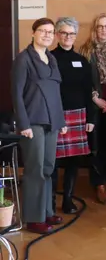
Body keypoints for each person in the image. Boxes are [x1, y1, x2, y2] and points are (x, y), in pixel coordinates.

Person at [12, 18, 68, 234]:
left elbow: (56, 93)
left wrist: (60, 120)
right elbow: (16, 93)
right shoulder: (23, 59)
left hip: (52, 122)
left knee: (47, 168)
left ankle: (46, 211)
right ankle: (34, 219)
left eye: (50, 32)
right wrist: (23, 123)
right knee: (35, 170)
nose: (47, 35)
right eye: (43, 31)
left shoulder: (51, 58)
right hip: (32, 122)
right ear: (33, 33)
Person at [50, 17, 95, 215]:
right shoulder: (49, 58)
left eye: (72, 33)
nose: (68, 37)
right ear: (58, 35)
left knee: (73, 161)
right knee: (52, 161)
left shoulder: (82, 61)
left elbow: (88, 91)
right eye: (64, 33)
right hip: (55, 115)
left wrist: (91, 118)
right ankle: (50, 202)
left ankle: (67, 200)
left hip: (78, 115)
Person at [78, 13, 106, 204]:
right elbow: (81, 81)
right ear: (95, 29)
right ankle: (99, 184)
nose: (103, 30)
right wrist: (95, 99)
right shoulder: (86, 51)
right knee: (95, 147)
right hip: (94, 105)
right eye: (99, 27)